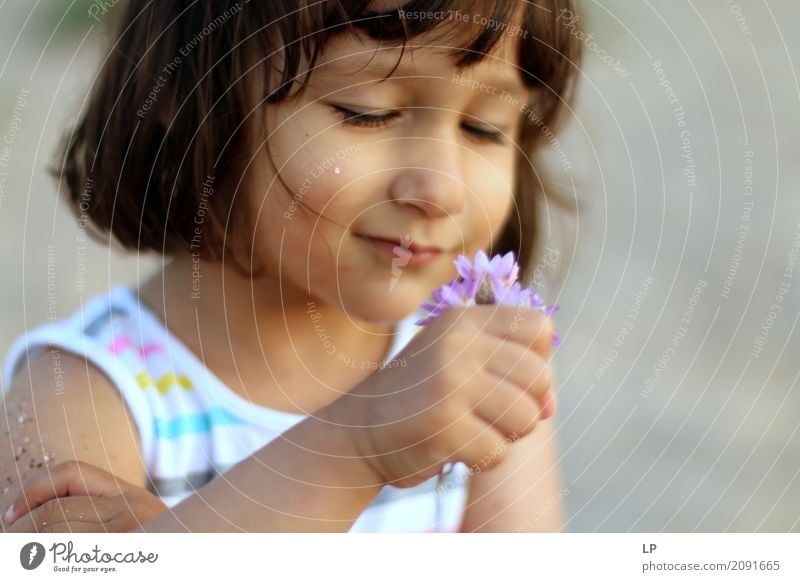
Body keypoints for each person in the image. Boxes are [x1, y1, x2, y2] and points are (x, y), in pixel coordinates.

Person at [0, 0, 581, 533]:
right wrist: (357, 446)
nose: (439, 188)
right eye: (366, 113)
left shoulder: (476, 369)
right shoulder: (79, 398)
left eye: (484, 128)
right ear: (188, 100)